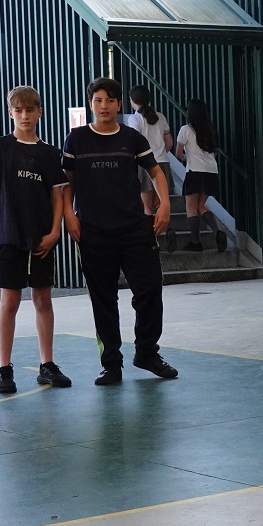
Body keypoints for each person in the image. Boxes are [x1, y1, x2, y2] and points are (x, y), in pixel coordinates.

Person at [62, 78, 178, 386]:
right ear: (91, 104)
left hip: (134, 228)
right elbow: (67, 183)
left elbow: (156, 172)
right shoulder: (76, 139)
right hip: (93, 231)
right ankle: (111, 364)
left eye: (110, 100)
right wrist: (69, 216)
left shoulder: (131, 137)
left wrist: (165, 205)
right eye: (98, 100)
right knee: (103, 299)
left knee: (149, 290)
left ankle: (147, 353)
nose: (104, 106)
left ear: (119, 105)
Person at [0, 85, 72, 392]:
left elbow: (58, 197)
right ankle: (4, 369)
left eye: (30, 110)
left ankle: (47, 365)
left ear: (39, 112)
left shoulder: (50, 153)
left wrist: (55, 231)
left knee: (43, 299)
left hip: (41, 237)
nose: (24, 116)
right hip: (9, 236)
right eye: (18, 110)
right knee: (10, 301)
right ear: (10, 113)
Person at [173, 99, 221, 252]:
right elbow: (215, 153)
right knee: (201, 206)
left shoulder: (186, 129)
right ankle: (217, 232)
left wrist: (187, 157)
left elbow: (178, 154)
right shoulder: (211, 130)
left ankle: (196, 242)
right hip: (211, 172)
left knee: (191, 207)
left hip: (194, 171)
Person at [126, 86, 174, 217]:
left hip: (145, 165)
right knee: (160, 204)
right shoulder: (161, 117)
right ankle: (164, 228)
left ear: (132, 100)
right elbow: (169, 142)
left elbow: (134, 142)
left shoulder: (134, 119)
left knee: (147, 208)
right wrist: (161, 152)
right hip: (163, 163)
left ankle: (150, 230)